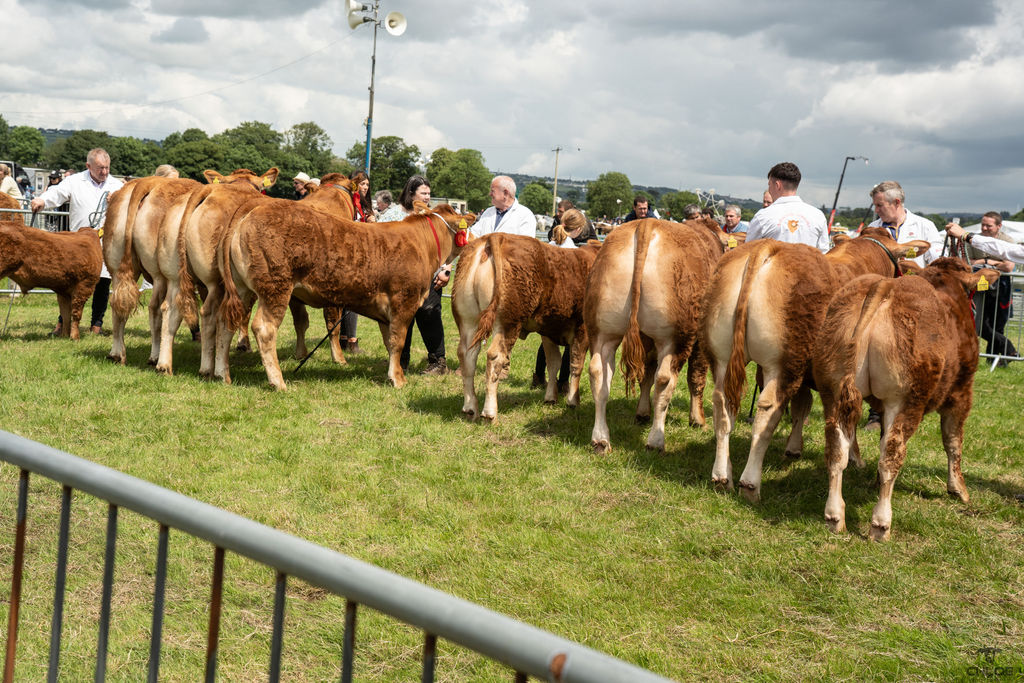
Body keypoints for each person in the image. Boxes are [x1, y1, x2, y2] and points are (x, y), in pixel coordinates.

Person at [31, 148, 124, 334]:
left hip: (105, 242)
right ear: (88, 166)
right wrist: (42, 200)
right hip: (78, 244)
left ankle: (96, 325)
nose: (104, 172)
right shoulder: (74, 181)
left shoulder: (117, 185)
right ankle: (63, 324)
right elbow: (57, 193)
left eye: (107, 167)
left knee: (103, 282)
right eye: (100, 168)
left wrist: (117, 201)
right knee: (70, 284)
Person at [378, 175, 448, 374]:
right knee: (401, 318)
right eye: (423, 193)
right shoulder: (392, 215)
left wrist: (446, 269)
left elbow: (445, 244)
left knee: (429, 313)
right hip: (398, 280)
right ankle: (401, 362)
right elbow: (378, 242)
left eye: (429, 193)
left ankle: (438, 361)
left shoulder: (433, 217)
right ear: (411, 193)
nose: (427, 197)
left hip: (429, 275)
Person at [947, 216, 1020, 360]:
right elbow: (966, 262)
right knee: (980, 323)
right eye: (983, 225)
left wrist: (982, 262)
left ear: (999, 226)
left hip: (1002, 285)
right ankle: (1008, 349)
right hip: (978, 286)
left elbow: (1008, 266)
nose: (984, 228)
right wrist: (992, 262)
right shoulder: (972, 239)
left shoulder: (1007, 240)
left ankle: (994, 359)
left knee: (999, 323)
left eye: (989, 226)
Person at [744, 162, 828, 253]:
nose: (769, 189)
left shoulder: (762, 216)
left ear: (777, 185)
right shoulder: (818, 215)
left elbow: (748, 252)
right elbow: (824, 253)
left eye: (769, 185)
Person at [867, 180, 943, 267]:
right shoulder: (872, 229)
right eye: (875, 206)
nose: (876, 210)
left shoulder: (925, 226)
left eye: (879, 205)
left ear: (896, 202)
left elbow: (938, 262)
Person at [469, 175, 536, 238]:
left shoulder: (525, 215)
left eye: (492, 191)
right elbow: (474, 235)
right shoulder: (488, 212)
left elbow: (526, 244)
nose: (490, 194)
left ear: (505, 193)